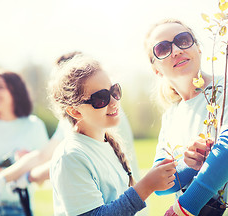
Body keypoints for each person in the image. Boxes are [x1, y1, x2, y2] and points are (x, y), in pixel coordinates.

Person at [144, 19, 228, 216]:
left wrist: (186, 206)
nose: (177, 50)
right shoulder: (170, 117)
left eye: (183, 40)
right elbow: (160, 185)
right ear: (156, 69)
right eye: (163, 49)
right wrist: (187, 165)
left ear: (198, 49)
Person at [0, 52, 142, 198]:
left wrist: (26, 177)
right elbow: (43, 156)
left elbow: (63, 161)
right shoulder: (98, 110)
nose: (53, 86)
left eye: (56, 81)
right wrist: (6, 177)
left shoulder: (94, 113)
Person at [48, 54, 177, 215]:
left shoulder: (107, 143)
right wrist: (146, 186)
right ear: (75, 111)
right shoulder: (70, 157)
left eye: (114, 91)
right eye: (100, 99)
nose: (114, 102)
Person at [0, 69, 49, 215]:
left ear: (15, 91)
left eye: (0, 87)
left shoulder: (34, 125)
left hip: (18, 209)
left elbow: (43, 177)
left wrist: (27, 163)